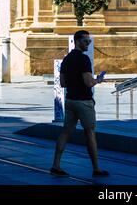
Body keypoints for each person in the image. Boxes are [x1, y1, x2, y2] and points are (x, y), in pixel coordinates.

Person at [50, 30, 109, 177]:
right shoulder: (83, 60)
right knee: (90, 133)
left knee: (65, 132)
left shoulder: (66, 59)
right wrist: (98, 80)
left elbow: (63, 83)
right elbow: (89, 83)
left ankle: (56, 165)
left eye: (89, 41)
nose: (88, 43)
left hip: (70, 100)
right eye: (85, 41)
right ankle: (96, 168)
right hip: (84, 102)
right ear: (77, 41)